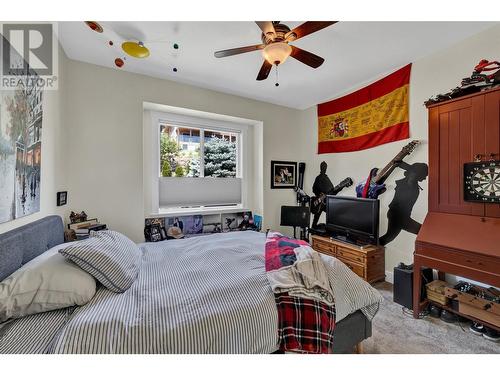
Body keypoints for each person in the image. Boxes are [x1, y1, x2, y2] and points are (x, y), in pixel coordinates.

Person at [379, 162, 428, 245]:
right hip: (398, 216)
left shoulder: (409, 183)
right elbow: (413, 175)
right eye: (425, 175)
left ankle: (369, 248)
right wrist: (411, 168)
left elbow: (413, 173)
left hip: (400, 216)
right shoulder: (409, 183)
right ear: (417, 173)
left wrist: (409, 168)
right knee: (424, 233)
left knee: (389, 237)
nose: (425, 178)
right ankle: (368, 249)